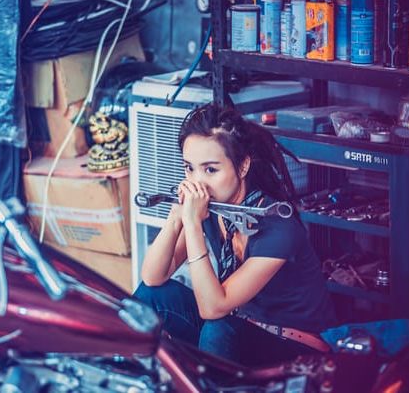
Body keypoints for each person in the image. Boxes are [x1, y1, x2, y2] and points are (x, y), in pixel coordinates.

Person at [134, 103, 336, 366]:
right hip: (238, 327)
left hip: (294, 347)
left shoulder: (277, 226)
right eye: (189, 168)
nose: (197, 182)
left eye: (210, 170)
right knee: (152, 299)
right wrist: (177, 219)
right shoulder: (212, 208)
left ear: (242, 167)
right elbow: (152, 277)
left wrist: (193, 225)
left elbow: (213, 307)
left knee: (218, 327)